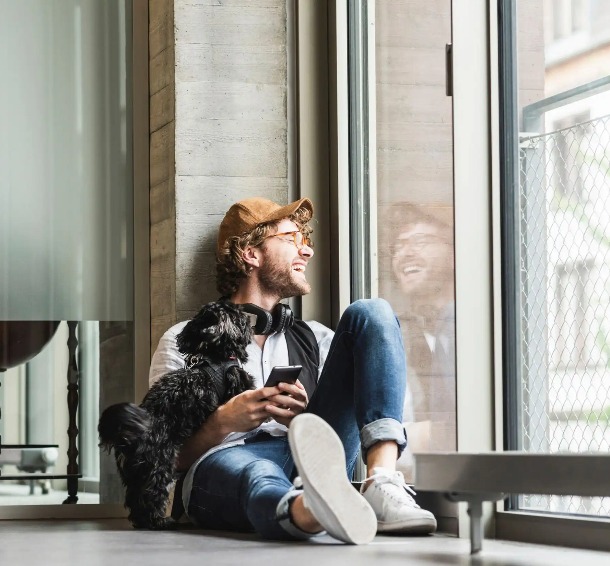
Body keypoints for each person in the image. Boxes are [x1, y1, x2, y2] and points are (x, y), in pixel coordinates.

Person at [149, 197, 437, 544]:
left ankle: (381, 482)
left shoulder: (318, 339)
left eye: (305, 240)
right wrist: (224, 421)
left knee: (372, 312)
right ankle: (309, 510)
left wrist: (305, 422)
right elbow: (158, 461)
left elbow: (388, 406)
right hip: (225, 463)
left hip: (313, 460)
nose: (307, 251)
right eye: (290, 238)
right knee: (257, 472)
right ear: (250, 254)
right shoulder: (183, 339)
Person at [389, 202, 456, 449]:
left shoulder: (472, 327)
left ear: (452, 252)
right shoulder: (398, 333)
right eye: (398, 246)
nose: (405, 253)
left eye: (420, 241)